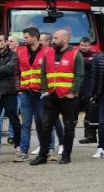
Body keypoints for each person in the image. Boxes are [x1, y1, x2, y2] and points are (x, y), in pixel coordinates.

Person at [30, 29, 84, 165]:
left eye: (55, 38)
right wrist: (44, 89)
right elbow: (42, 73)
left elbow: (79, 75)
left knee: (69, 127)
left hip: (68, 97)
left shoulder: (75, 54)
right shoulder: (48, 53)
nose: (53, 40)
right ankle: (43, 155)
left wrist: (73, 91)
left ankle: (66, 155)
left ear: (65, 40)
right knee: (46, 126)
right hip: (51, 96)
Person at [15, 27, 45, 162]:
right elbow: (17, 72)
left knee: (42, 122)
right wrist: (19, 88)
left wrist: (46, 90)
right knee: (26, 123)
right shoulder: (21, 52)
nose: (24, 39)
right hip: (25, 91)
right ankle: (23, 151)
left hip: (40, 93)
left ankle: (48, 149)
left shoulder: (46, 52)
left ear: (35, 37)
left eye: (26, 37)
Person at [0, 33, 21, 155]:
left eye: (0, 40)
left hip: (9, 92)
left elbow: (10, 69)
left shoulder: (13, 55)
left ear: (5, 42)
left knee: (14, 120)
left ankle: (18, 145)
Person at [77, 37, 98, 145]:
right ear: (79, 45)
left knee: (90, 113)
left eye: (86, 45)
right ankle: (69, 135)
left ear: (89, 46)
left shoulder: (94, 55)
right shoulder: (75, 54)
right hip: (76, 88)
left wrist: (79, 61)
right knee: (72, 113)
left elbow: (93, 65)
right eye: (82, 45)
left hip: (89, 89)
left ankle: (91, 136)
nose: (84, 47)